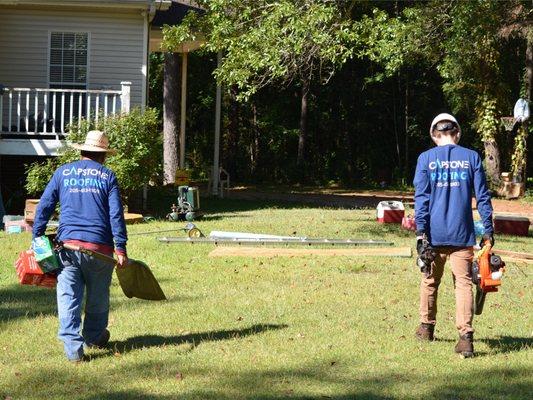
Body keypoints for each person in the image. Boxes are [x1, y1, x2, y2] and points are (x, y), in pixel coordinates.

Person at [32, 130, 128, 362]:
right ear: (103, 155)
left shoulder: (62, 172)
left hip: (68, 248)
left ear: (83, 151)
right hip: (100, 250)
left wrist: (38, 238)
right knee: (97, 296)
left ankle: (73, 350)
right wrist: (121, 247)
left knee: (68, 297)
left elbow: (43, 206)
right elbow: (116, 214)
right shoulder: (107, 176)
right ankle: (94, 337)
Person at [413, 113, 494, 358]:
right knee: (464, 285)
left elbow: (422, 199)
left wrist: (420, 234)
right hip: (462, 235)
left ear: (433, 134)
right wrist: (488, 230)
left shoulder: (425, 159)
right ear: (457, 133)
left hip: (433, 235)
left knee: (429, 281)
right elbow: (483, 197)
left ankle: (426, 328)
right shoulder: (472, 157)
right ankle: (466, 338)